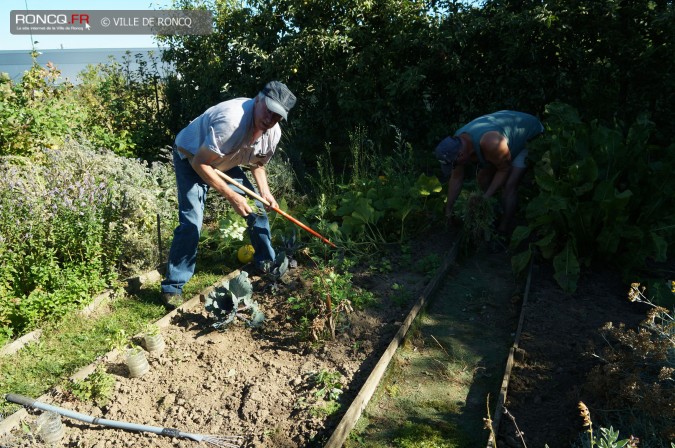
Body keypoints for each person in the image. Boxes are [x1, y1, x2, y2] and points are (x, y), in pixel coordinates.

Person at [160, 80, 297, 309]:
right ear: (259, 99)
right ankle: (173, 287)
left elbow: (258, 165)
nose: (270, 120)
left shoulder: (273, 133)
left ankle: (265, 261)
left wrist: (265, 193)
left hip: (224, 159)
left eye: (277, 116)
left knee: (258, 209)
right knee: (192, 222)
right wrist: (232, 196)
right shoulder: (232, 121)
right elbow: (200, 163)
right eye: (269, 111)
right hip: (192, 157)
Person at [434, 110, 543, 237]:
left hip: (527, 134)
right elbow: (456, 178)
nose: (454, 166)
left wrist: (485, 198)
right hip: (503, 140)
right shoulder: (456, 145)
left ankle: (503, 229)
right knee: (482, 178)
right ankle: (494, 209)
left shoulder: (490, 143)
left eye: (453, 164)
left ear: (461, 155)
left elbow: (504, 170)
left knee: (509, 186)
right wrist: (448, 210)